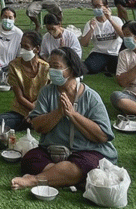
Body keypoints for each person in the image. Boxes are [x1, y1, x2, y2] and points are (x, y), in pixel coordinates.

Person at [11, 47, 117, 190]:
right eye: (50, 66)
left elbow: (103, 135)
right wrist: (59, 112)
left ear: (71, 69)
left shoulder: (91, 97)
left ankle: (35, 180)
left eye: (56, 66)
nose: (51, 71)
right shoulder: (46, 92)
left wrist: (72, 114)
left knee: (86, 164)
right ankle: (69, 177)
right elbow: (37, 126)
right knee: (30, 160)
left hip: (85, 152)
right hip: (53, 151)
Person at [0, 31, 50, 131]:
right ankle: (32, 122)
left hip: (41, 109)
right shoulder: (14, 65)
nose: (22, 50)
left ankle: (33, 121)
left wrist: (37, 111)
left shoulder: (45, 68)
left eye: (26, 47)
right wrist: (34, 111)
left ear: (37, 49)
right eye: (21, 46)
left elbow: (46, 95)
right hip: (21, 111)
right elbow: (20, 97)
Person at [80, 0, 124, 75]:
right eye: (94, 6)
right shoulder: (91, 23)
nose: (96, 9)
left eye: (98, 6)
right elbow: (84, 44)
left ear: (106, 7)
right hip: (99, 53)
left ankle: (107, 66)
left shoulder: (116, 20)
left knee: (120, 68)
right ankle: (104, 66)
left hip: (115, 52)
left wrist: (110, 19)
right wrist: (91, 29)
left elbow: (123, 35)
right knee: (89, 68)